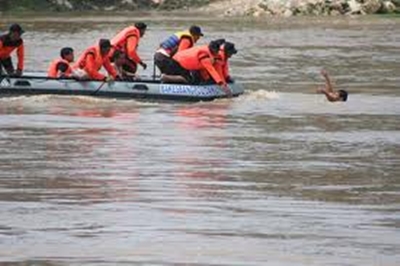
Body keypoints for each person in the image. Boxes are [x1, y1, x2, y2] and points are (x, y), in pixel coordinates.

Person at [162, 40, 230, 95]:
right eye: (216, 51)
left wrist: (207, 79)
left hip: (185, 62)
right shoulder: (205, 55)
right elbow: (211, 70)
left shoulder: (208, 52)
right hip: (177, 62)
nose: (218, 53)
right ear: (213, 50)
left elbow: (203, 69)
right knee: (188, 79)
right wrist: (221, 84)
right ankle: (166, 77)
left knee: (195, 79)